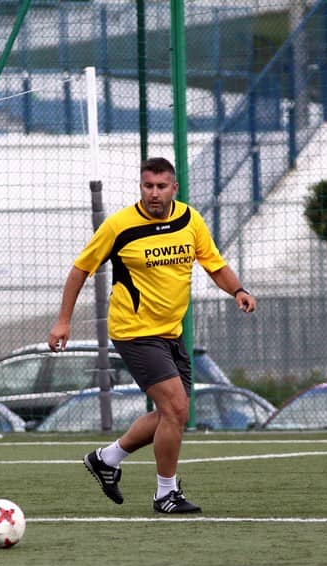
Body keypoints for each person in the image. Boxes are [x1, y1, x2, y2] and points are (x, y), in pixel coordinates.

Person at [48, 157, 256, 513]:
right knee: (175, 408)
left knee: (172, 414)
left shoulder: (190, 220)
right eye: (148, 186)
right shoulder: (119, 225)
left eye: (161, 187)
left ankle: (106, 459)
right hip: (134, 331)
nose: (154, 193)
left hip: (171, 333)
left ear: (174, 188)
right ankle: (165, 494)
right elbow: (80, 270)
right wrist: (63, 321)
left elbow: (215, 264)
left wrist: (238, 290)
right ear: (141, 187)